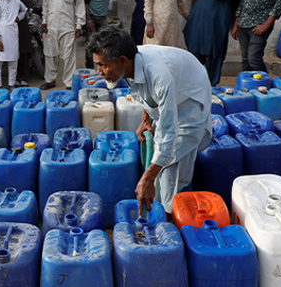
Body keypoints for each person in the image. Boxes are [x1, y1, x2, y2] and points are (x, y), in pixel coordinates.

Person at [88, 26, 212, 215]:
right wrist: (145, 118)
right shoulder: (130, 62)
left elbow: (169, 129)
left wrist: (147, 178)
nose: (99, 71)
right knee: (158, 167)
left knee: (170, 173)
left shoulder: (159, 76)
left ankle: (169, 222)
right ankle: (160, 211)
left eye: (103, 65)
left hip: (189, 103)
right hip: (172, 95)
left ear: (122, 61)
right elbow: (144, 92)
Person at [183, 0, 235, 86]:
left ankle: (212, 85)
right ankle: (194, 84)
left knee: (216, 49)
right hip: (199, 16)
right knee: (195, 47)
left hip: (218, 16)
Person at [83, 0, 143, 67]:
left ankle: (102, 67)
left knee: (105, 44)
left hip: (102, 18)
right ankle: (90, 69)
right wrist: (88, 21)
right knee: (91, 47)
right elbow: (86, 2)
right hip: (91, 18)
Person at [40, 0, 84, 90]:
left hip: (68, 27)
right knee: (50, 54)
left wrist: (79, 26)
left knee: (69, 56)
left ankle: (69, 83)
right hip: (51, 25)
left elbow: (79, 6)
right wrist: (44, 21)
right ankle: (50, 80)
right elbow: (46, 2)